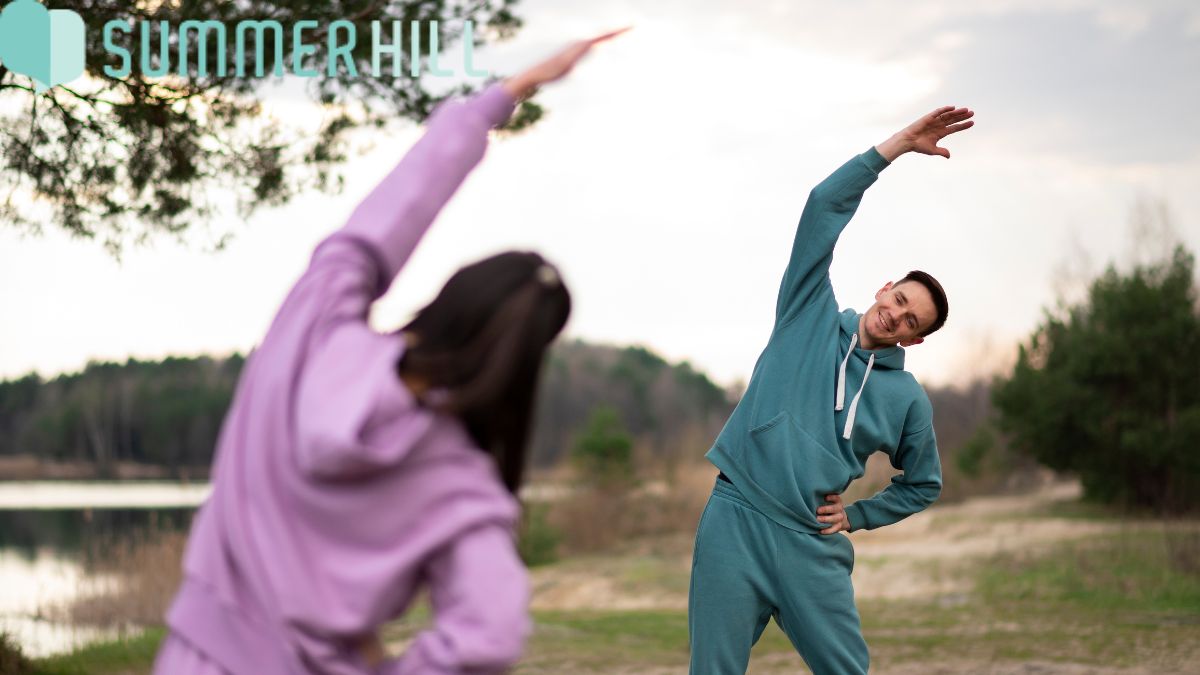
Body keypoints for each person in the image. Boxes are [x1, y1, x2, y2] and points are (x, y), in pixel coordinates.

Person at [152, 30, 626, 675]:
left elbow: (382, 223)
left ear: (448, 298)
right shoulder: (457, 481)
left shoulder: (312, 334)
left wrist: (503, 97)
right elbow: (488, 635)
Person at [688, 105, 974, 674]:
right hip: (734, 520)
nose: (895, 316)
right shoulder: (808, 310)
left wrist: (859, 516)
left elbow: (923, 484)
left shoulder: (906, 399)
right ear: (884, 288)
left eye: (911, 321)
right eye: (899, 300)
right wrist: (896, 147)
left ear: (914, 340)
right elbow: (823, 206)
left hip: (810, 545)